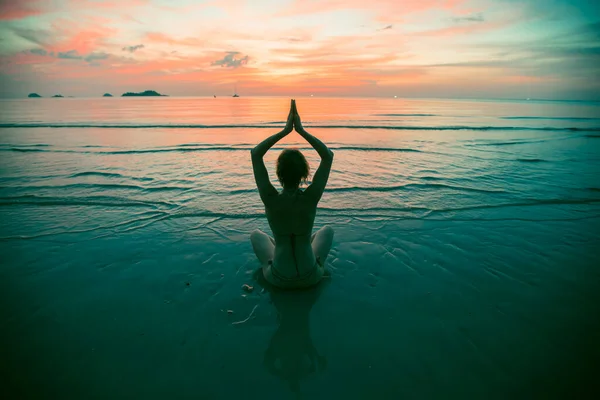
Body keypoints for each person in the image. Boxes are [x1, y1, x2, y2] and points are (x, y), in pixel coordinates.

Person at [250, 99, 334, 289]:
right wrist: (301, 130)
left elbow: (256, 154)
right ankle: (307, 249)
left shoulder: (270, 199)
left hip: (279, 278)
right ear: (304, 174)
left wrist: (285, 130)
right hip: (312, 276)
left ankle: (281, 246)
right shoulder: (311, 198)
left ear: (278, 174)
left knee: (256, 234)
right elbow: (328, 156)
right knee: (326, 230)